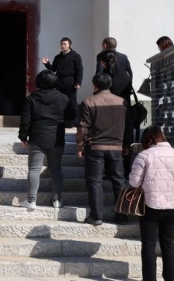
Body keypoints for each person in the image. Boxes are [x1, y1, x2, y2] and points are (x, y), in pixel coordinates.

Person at [129, 126, 174, 281]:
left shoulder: (144, 155)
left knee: (148, 245)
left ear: (147, 139)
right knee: (168, 244)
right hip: (173, 206)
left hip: (150, 205)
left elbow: (134, 182)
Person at [77, 73, 128, 226]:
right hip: (116, 146)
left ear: (95, 86)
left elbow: (83, 127)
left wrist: (80, 145)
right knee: (119, 180)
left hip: (95, 146)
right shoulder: (122, 102)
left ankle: (96, 216)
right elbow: (127, 125)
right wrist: (126, 145)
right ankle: (122, 216)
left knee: (95, 181)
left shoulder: (88, 102)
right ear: (110, 85)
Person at [19, 70, 70, 210]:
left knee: (34, 169)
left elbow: (26, 120)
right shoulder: (63, 98)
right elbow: (71, 117)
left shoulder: (31, 98)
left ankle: (31, 201)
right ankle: (57, 200)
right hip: (57, 138)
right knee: (56, 169)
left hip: (37, 137)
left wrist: (23, 136)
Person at [98, 49, 135, 177]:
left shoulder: (104, 78)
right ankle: (124, 171)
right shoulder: (125, 75)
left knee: (109, 145)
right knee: (125, 145)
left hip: (108, 115)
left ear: (103, 63)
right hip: (124, 112)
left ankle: (109, 172)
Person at [42, 37, 83, 128]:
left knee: (72, 102)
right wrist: (47, 63)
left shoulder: (75, 56)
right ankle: (62, 120)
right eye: (62, 44)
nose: (63, 46)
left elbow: (79, 70)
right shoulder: (58, 57)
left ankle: (76, 121)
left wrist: (78, 82)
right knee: (60, 102)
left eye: (65, 44)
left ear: (69, 45)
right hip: (60, 83)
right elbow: (53, 69)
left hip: (71, 83)